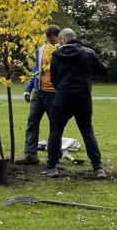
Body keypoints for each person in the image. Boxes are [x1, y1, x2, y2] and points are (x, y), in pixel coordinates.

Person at [42, 28, 108, 179]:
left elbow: (54, 78)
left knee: (55, 131)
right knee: (87, 132)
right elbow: (103, 72)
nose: (58, 43)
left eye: (59, 40)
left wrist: (61, 89)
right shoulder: (88, 53)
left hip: (62, 98)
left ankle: (52, 167)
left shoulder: (57, 55)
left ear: (63, 39)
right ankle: (98, 168)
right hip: (82, 98)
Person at [19, 25, 62, 165]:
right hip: (39, 93)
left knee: (55, 125)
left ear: (59, 37)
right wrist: (28, 89)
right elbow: (35, 70)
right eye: (48, 40)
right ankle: (30, 154)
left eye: (53, 40)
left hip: (54, 94)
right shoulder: (41, 50)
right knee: (32, 122)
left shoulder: (62, 51)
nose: (50, 43)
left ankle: (55, 155)